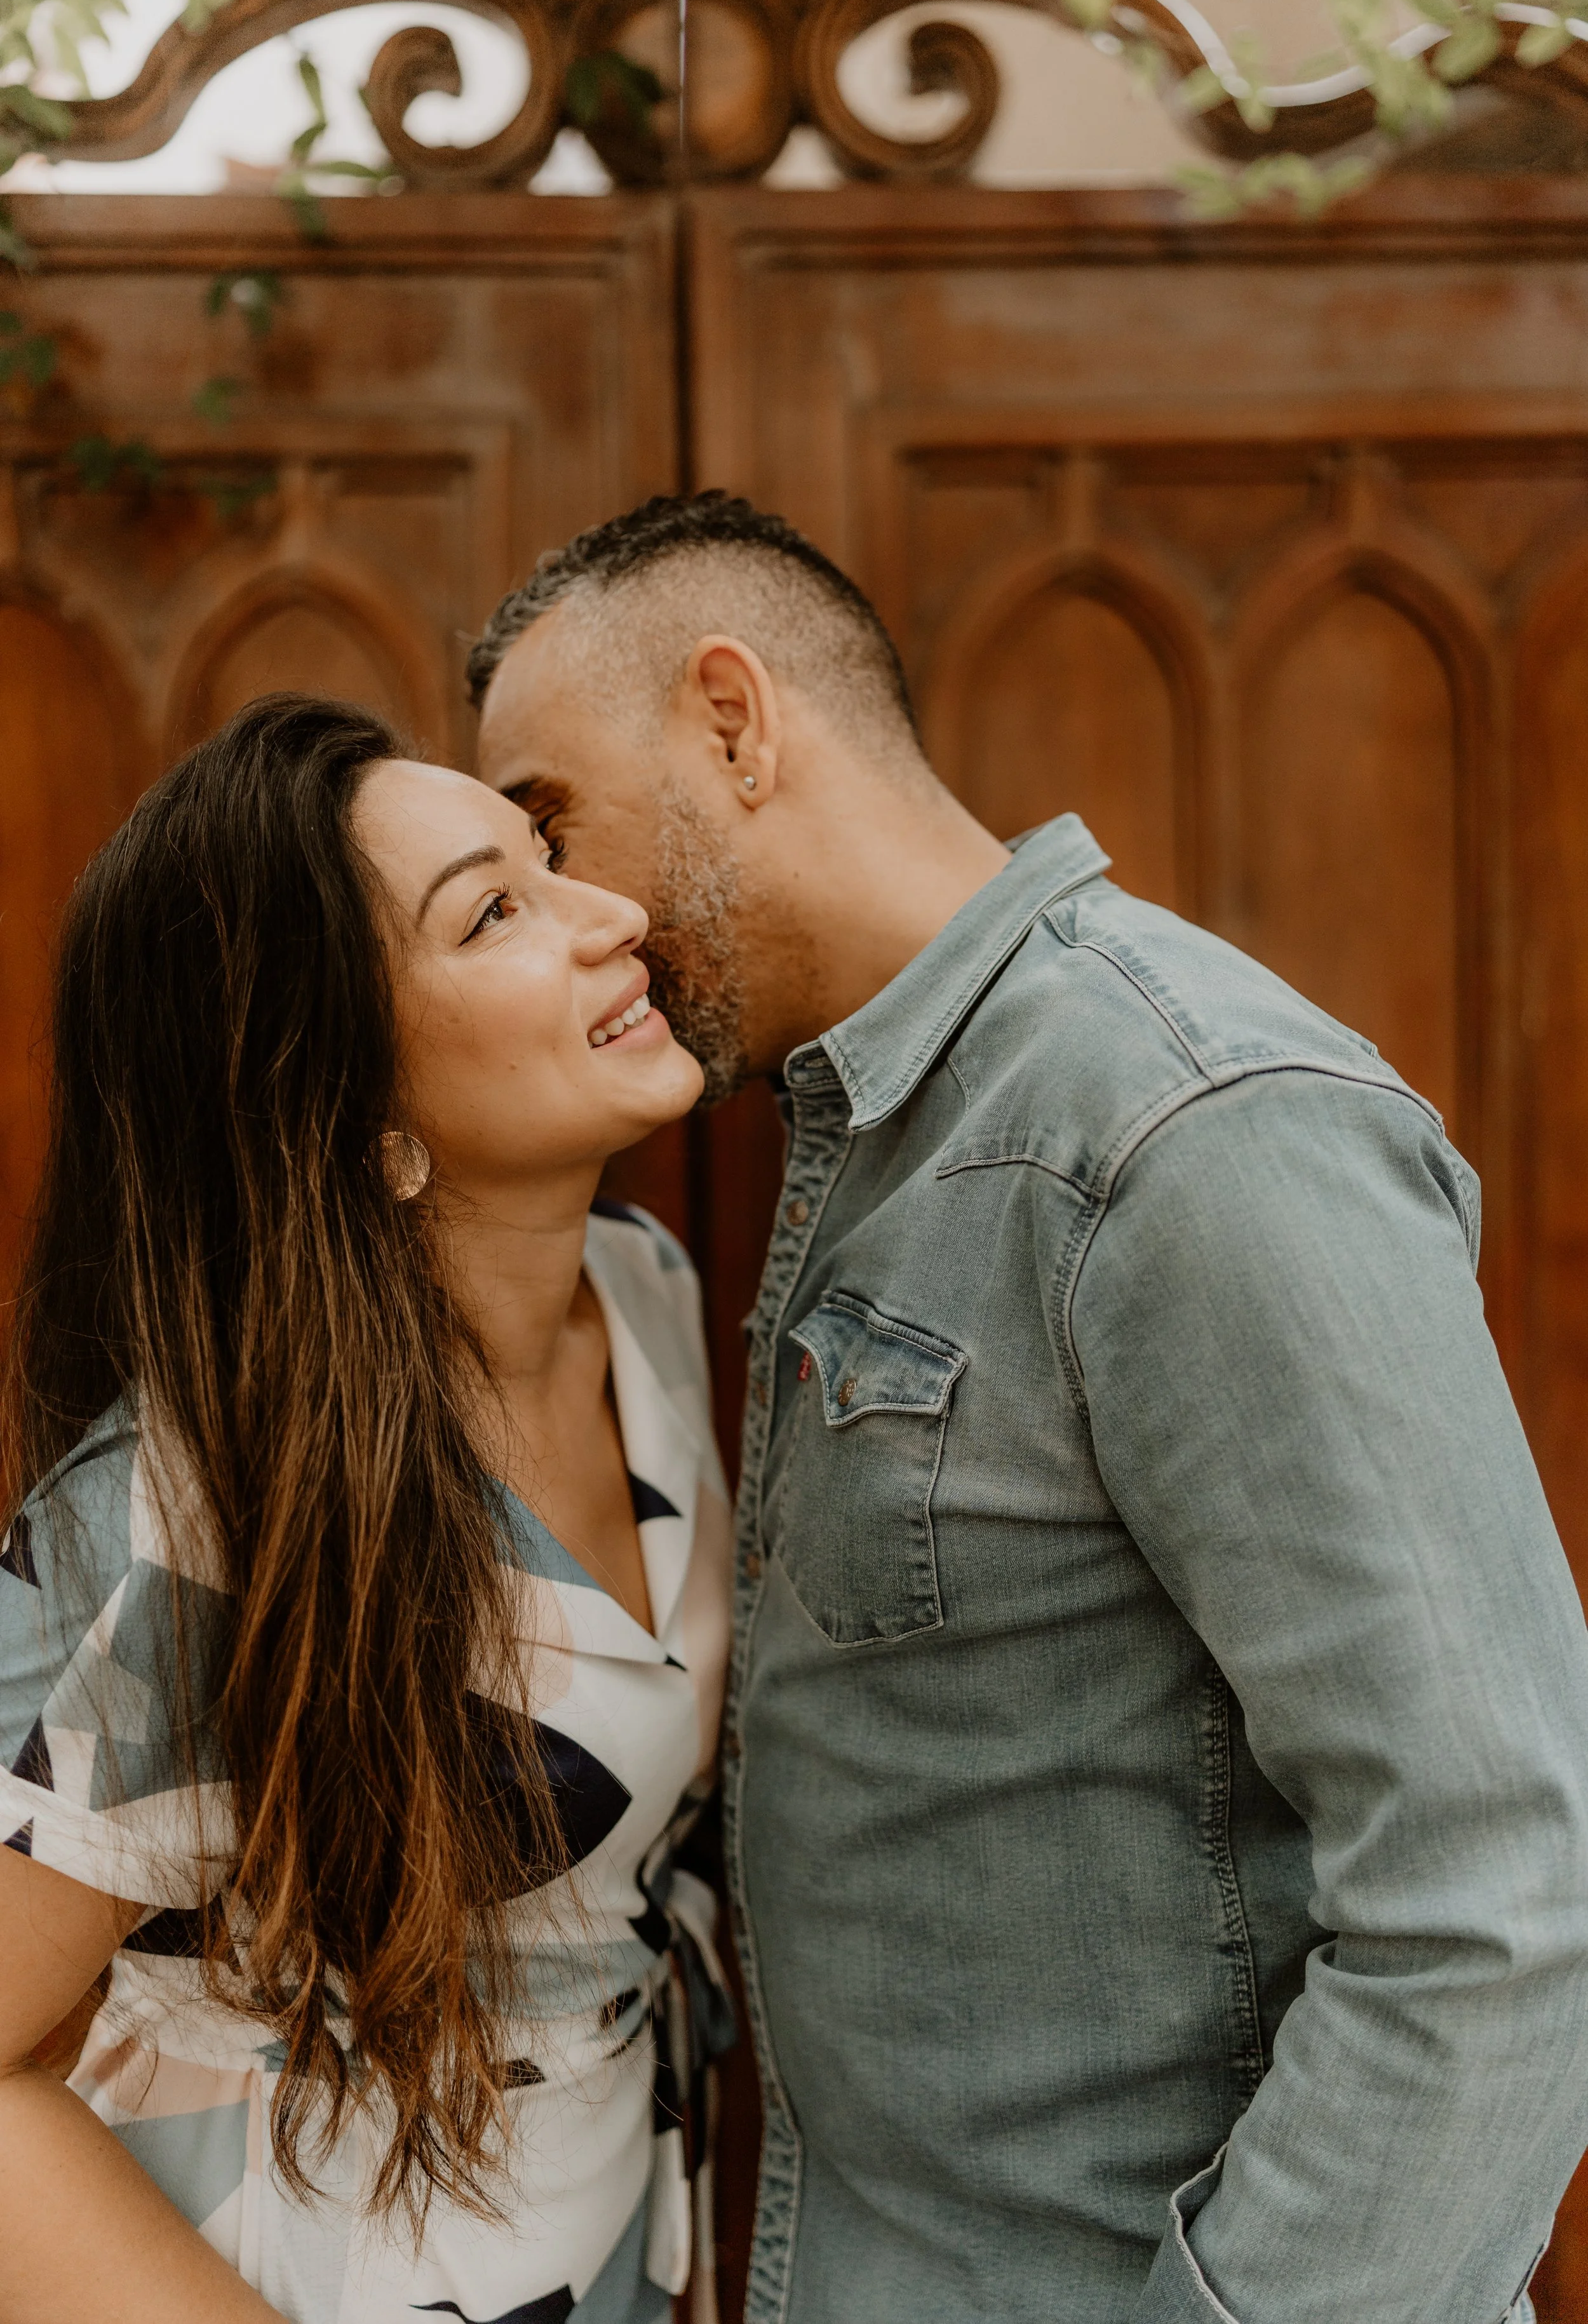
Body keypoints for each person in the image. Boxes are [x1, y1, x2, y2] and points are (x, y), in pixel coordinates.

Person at [468, 491, 1588, 2324]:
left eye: (552, 822)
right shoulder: (867, 1152)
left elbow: (1505, 1898)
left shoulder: (1181, 1122)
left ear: (732, 720)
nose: (571, 916)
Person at [0, 695, 734, 2324]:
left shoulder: (646, 1294)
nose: (613, 916)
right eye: (494, 913)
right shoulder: (191, 1511)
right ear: (354, 1113)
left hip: (615, 2242)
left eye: (547, 857)